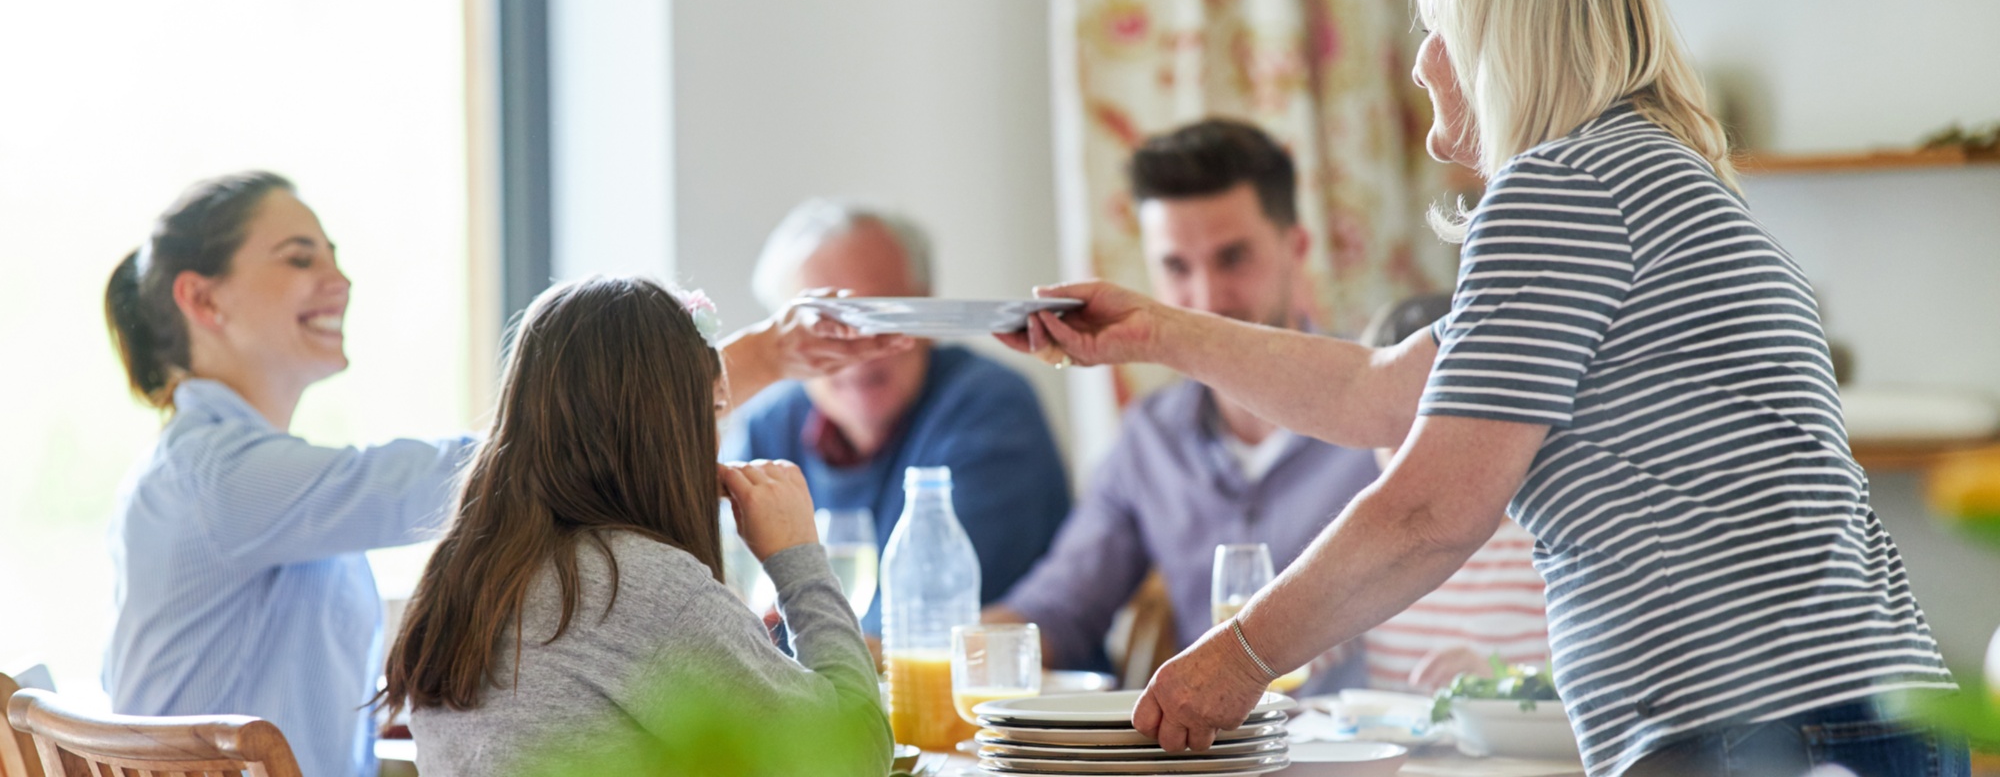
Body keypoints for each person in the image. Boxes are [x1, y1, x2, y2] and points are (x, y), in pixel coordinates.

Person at [1002, 0, 1965, 774]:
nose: (1419, 60)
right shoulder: (1640, 180)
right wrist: (1154, 332)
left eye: (1435, 27)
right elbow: (1379, 392)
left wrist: (1240, 655)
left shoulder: (1558, 191)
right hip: (1849, 709)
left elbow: (1431, 512)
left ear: (1497, 43)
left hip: (1761, 718)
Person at [100, 172, 907, 777]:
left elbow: (523, 457)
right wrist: (726, 369)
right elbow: (520, 453)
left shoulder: (452, 562)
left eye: (335, 253)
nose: (339, 278)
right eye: (298, 256)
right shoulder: (221, 479)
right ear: (203, 301)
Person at [384, 277, 889, 777]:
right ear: (665, 432)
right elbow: (853, 757)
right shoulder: (636, 585)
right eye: (712, 411)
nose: (715, 439)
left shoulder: (460, 576)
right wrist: (797, 558)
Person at [982, 120, 1383, 690]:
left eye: (1233, 258)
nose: (1207, 300)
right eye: (1176, 267)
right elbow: (1061, 606)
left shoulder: (1387, 408)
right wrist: (915, 655)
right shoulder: (1150, 437)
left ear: (1296, 247)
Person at [726, 199, 1070, 632]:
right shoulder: (767, 427)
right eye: (827, 326)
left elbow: (923, 617)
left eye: (884, 315)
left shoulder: (990, 408)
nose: (859, 349)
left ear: (928, 312)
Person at [1353, 295, 1548, 693]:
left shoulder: (1541, 546)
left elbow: (1589, 694)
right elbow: (1298, 653)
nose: (1400, 447)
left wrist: (1500, 683)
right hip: (1392, 756)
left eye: (1420, 420)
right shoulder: (1370, 552)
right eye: (1385, 423)